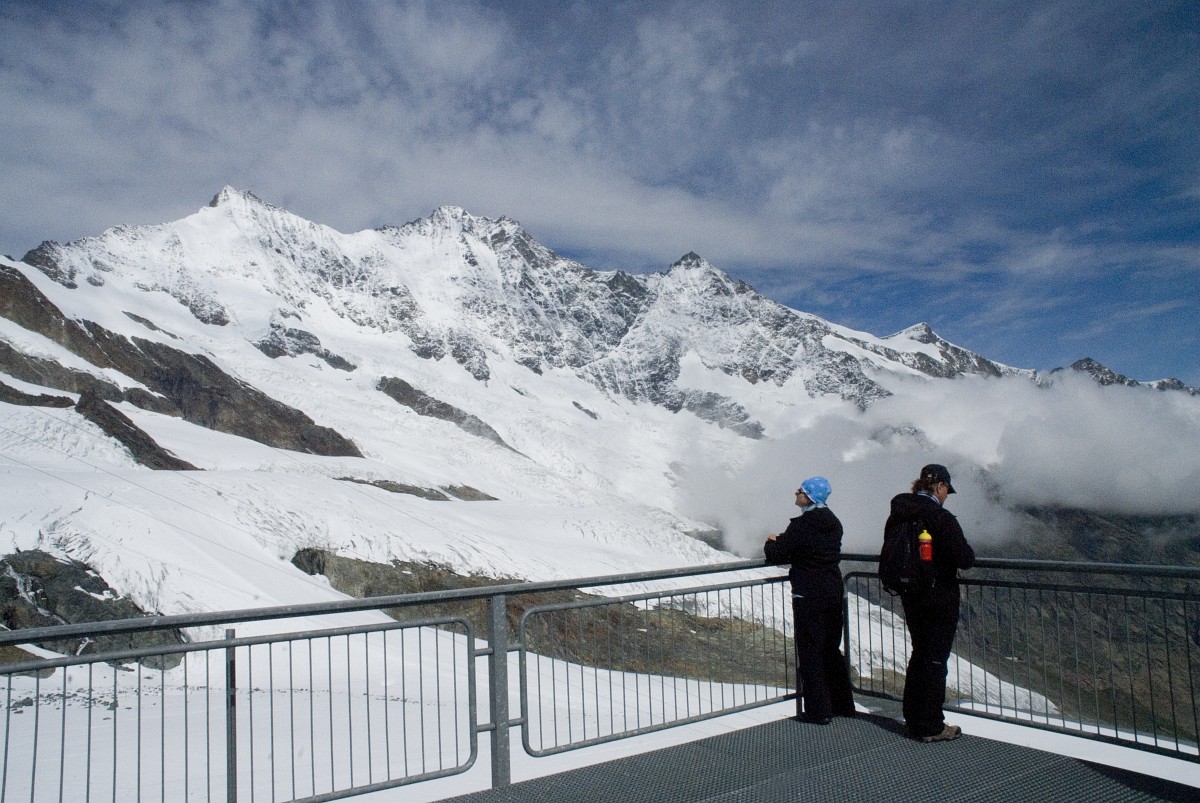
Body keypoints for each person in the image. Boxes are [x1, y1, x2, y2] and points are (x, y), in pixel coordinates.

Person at [886, 463, 975, 742]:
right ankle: (930, 725)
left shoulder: (899, 513)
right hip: (938, 595)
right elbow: (965, 558)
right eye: (947, 489)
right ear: (939, 487)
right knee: (935, 659)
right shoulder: (940, 518)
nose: (947, 495)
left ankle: (914, 718)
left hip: (909, 593)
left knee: (920, 654)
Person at [764, 476, 855, 724]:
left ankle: (818, 710)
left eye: (801, 491)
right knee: (831, 648)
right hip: (832, 589)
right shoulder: (833, 521)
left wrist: (770, 543)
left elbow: (780, 553)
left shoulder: (803, 524)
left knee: (811, 651)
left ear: (810, 496)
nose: (796, 494)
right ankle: (843, 704)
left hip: (809, 593)